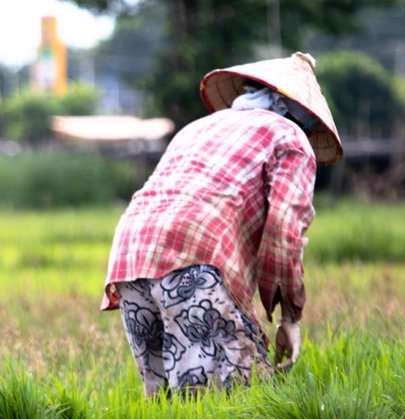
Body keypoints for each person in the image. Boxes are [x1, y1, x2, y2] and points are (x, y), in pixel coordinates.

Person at [102, 52, 343, 397]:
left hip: (130, 258)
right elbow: (284, 232)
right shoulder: (290, 137)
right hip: (196, 257)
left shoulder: (196, 127)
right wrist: (290, 317)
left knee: (162, 404)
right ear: (300, 114)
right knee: (229, 404)